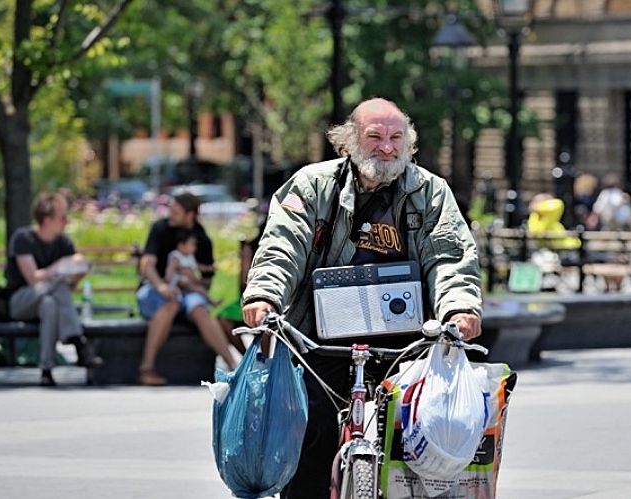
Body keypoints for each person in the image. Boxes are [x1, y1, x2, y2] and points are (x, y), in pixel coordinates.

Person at [241, 97, 482, 498]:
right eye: (375, 137)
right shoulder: (313, 185)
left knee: (421, 434)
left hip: (407, 342)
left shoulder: (430, 192)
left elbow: (450, 257)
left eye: (396, 138)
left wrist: (459, 307)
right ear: (349, 141)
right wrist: (265, 295)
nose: (387, 148)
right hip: (317, 341)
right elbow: (283, 246)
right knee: (309, 431)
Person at [136, 191, 239, 386]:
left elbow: (207, 283)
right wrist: (162, 286)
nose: (170, 215)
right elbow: (147, 264)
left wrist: (191, 280)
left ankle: (233, 365)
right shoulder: (160, 229)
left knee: (200, 309)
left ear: (190, 214)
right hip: (156, 289)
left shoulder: (201, 240)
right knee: (171, 303)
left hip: (188, 291)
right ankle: (146, 368)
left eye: (176, 212)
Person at [4, 192, 102, 387]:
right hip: (20, 301)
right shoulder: (23, 238)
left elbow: (70, 285)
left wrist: (79, 271)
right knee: (56, 285)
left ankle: (46, 369)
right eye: (63, 217)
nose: (66, 222)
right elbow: (33, 279)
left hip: (45, 301)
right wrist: (58, 267)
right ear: (47, 220)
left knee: (50, 305)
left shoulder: (63, 243)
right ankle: (76, 341)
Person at [164, 229, 218, 306]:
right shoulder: (176, 256)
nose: (195, 247)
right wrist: (168, 280)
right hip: (178, 281)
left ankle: (207, 299)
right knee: (195, 287)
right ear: (181, 245)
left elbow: (198, 266)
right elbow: (170, 270)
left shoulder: (190, 257)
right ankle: (211, 301)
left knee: (202, 285)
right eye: (192, 244)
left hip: (190, 281)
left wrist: (209, 268)